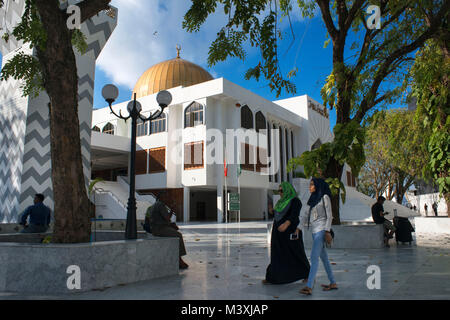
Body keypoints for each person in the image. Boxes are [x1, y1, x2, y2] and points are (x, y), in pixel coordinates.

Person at [263, 182, 310, 285]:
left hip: (290, 231)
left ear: (287, 190)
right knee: (277, 253)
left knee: (296, 252)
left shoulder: (295, 201)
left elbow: (294, 215)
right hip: (278, 232)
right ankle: (272, 277)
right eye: (279, 191)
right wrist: (271, 209)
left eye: (281, 191)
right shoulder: (280, 202)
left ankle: (307, 273)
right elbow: (276, 214)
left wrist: (286, 224)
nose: (280, 193)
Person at [299, 178, 337, 295]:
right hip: (315, 231)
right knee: (324, 259)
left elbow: (330, 216)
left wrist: (327, 231)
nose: (310, 186)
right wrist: (298, 228)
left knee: (314, 257)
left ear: (317, 186)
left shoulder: (324, 197)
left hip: (321, 230)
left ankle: (309, 286)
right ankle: (333, 282)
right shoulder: (312, 200)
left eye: (312, 184)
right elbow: (306, 215)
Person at [149, 198, 189, 269]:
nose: (168, 198)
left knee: (174, 231)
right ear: (162, 197)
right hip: (159, 229)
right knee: (178, 235)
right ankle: (179, 259)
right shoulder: (160, 205)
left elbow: (166, 218)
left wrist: (171, 210)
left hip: (156, 228)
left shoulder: (156, 205)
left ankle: (178, 258)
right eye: (166, 196)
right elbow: (167, 218)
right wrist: (172, 211)